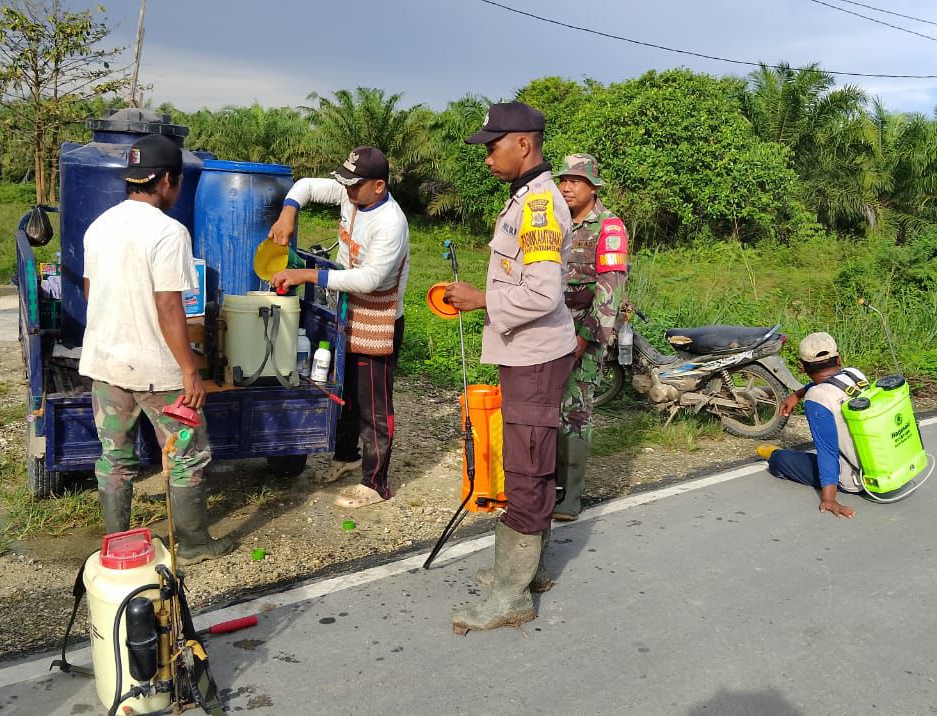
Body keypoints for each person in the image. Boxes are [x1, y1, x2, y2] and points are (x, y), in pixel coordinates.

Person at [443, 102, 574, 633]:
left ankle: (512, 594)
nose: (487, 156)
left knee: (525, 466)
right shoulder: (526, 198)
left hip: (535, 355)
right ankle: (530, 570)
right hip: (526, 352)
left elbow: (542, 292)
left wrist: (481, 300)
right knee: (532, 460)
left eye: (493, 145)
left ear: (524, 143)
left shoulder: (539, 206)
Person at [80, 134, 234, 564]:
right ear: (168, 180)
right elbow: (169, 304)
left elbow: (92, 291)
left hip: (106, 364)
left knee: (115, 458)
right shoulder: (169, 231)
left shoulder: (100, 225)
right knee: (187, 455)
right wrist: (189, 370)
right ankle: (194, 544)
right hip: (158, 372)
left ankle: (118, 546)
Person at [268, 146, 410, 509]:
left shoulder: (390, 223)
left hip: (379, 318)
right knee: (344, 392)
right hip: (345, 311)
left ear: (378, 186)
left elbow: (371, 279)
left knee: (373, 405)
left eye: (354, 185)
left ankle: (376, 483)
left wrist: (305, 274)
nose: (346, 191)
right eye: (345, 184)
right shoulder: (352, 196)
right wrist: (288, 213)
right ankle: (346, 457)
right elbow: (305, 187)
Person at [551, 153, 630, 521]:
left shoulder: (609, 227)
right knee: (545, 408)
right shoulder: (553, 221)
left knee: (574, 411)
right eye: (563, 180)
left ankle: (572, 495)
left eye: (576, 181)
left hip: (587, 330)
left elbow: (609, 291)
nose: (566, 186)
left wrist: (586, 336)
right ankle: (547, 484)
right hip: (548, 329)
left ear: (593, 187)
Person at [756, 332, 864, 519]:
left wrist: (829, 499)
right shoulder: (855, 375)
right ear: (839, 358)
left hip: (855, 480)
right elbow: (831, 381)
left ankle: (774, 454)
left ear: (802, 367)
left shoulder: (817, 399)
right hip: (885, 467)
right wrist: (798, 393)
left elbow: (827, 451)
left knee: (781, 460)